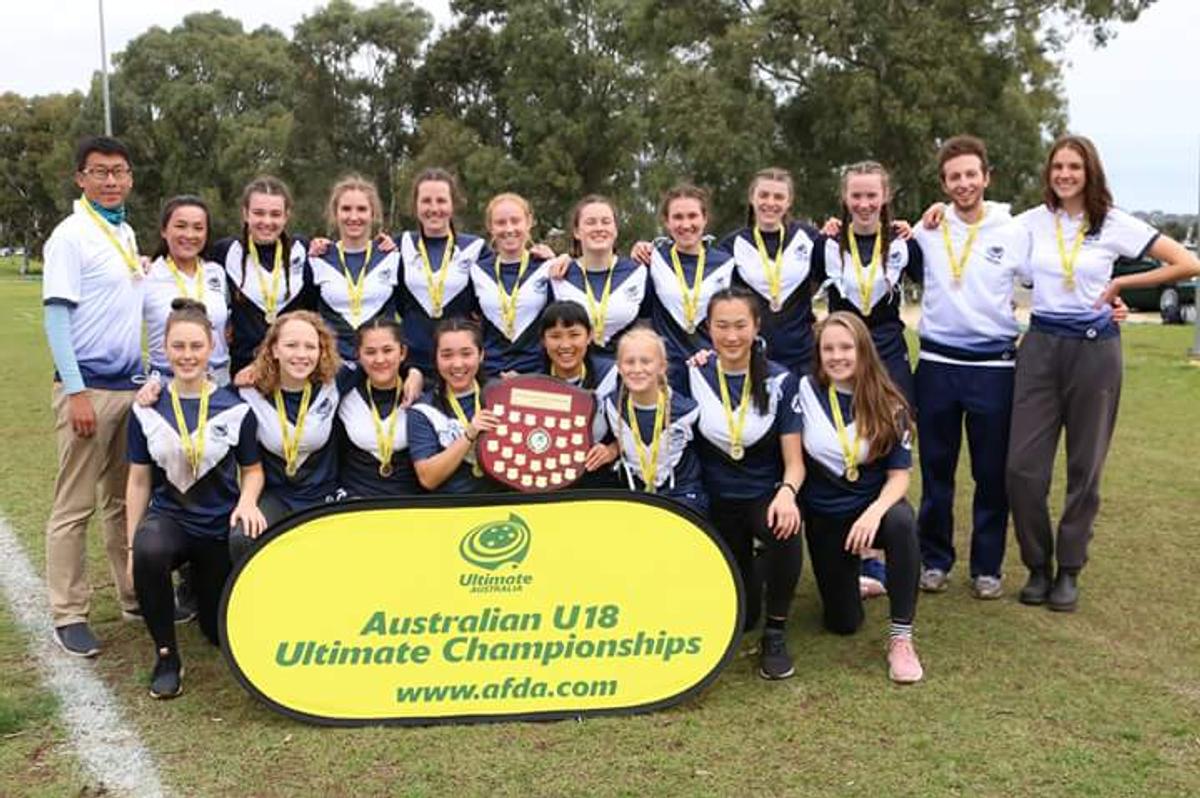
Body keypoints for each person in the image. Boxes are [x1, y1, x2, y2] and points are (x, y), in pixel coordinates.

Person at [1006, 134, 1200, 611]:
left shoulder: (1114, 223)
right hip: (1041, 345)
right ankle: (1037, 565)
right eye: (1058, 166)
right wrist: (932, 215)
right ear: (1049, 173)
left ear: (1090, 171)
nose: (1065, 174)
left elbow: (1187, 262)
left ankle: (1069, 570)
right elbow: (977, 231)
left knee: (1085, 466)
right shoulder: (1031, 221)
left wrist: (1122, 283)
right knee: (1022, 469)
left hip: (1095, 351)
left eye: (1074, 166)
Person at [908, 136, 1032, 600]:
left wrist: (1109, 302)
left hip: (993, 368)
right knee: (936, 470)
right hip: (937, 364)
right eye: (954, 177)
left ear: (986, 177)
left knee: (991, 473)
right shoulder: (928, 229)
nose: (964, 183)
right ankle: (935, 560)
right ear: (944, 184)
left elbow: (1047, 281)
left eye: (970, 174)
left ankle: (987, 567)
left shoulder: (1012, 230)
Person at [125, 299, 266, 698]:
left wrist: (247, 501)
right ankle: (167, 657)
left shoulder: (236, 408)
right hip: (171, 520)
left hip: (217, 526)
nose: (187, 356)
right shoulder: (146, 408)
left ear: (212, 347)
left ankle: (200, 593)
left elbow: (253, 470)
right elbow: (138, 481)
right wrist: (131, 545)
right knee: (150, 551)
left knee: (214, 631)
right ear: (164, 349)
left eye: (196, 346)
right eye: (178, 346)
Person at [42, 135, 144, 657]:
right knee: (74, 505)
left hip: (128, 388)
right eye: (100, 171)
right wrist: (76, 390)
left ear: (130, 178)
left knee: (123, 503)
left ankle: (132, 595)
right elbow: (56, 317)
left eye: (119, 171)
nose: (111, 180)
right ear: (80, 178)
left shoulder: (124, 231)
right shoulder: (71, 235)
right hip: (88, 390)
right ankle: (69, 613)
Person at [797, 311, 923, 683]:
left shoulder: (890, 402)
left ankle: (901, 637)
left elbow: (900, 477)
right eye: (828, 349)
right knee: (843, 624)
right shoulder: (802, 390)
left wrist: (874, 513)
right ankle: (857, 581)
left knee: (901, 521)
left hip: (871, 515)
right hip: (825, 519)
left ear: (863, 350)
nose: (837, 356)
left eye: (846, 347)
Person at [685, 287, 803, 680]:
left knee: (786, 527)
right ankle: (752, 575)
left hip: (762, 496)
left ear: (756, 327)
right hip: (715, 501)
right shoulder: (691, 374)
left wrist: (787, 493)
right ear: (708, 328)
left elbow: (795, 463)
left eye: (740, 325)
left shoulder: (781, 380)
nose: (731, 336)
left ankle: (776, 631)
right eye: (722, 326)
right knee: (743, 615)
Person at [233, 311, 343, 561]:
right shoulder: (248, 392)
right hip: (277, 497)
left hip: (324, 495)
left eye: (310, 347)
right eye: (291, 345)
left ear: (322, 351)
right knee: (242, 538)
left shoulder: (335, 382)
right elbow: (206, 396)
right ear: (274, 350)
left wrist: (413, 372)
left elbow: (379, 364)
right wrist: (153, 389)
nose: (301, 354)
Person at [821, 161, 922, 406]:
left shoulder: (903, 242)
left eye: (871, 195)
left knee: (898, 420)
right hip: (841, 350)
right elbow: (804, 292)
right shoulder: (827, 243)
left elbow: (932, 285)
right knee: (843, 424)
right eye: (856, 196)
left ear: (885, 195)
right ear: (845, 197)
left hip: (889, 350)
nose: (864, 204)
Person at [721, 168, 824, 374]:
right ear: (752, 198)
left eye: (778, 197)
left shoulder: (810, 238)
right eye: (764, 195)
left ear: (789, 201)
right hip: (752, 356)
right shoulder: (732, 245)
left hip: (803, 355)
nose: (770, 202)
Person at [213, 176, 313, 376]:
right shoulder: (225, 251)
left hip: (294, 369)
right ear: (245, 213)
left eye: (275, 214)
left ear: (286, 216)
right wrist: (150, 261)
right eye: (259, 213)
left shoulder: (303, 249)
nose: (267, 221)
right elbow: (186, 261)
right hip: (244, 371)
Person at [603, 326, 707, 514]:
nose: (637, 369)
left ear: (662, 367)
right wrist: (612, 449)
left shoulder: (688, 411)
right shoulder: (611, 406)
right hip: (636, 494)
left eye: (646, 362)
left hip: (681, 495)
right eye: (629, 362)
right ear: (619, 367)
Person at [395, 169, 487, 377]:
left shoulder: (476, 249)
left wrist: (551, 258)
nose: (434, 208)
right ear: (415, 205)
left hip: (459, 364)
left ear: (453, 204)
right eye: (426, 201)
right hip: (411, 364)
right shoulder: (399, 245)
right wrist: (323, 247)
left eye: (441, 201)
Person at [310, 175, 402, 362]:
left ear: (373, 213)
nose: (353, 217)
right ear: (335, 213)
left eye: (361, 209)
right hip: (333, 363)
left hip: (379, 362)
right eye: (346, 209)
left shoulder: (391, 256)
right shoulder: (318, 258)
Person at [644, 185, 736, 371]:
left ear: (705, 218)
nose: (686, 225)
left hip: (710, 366)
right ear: (666, 221)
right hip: (665, 369)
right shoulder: (653, 259)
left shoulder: (726, 264)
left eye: (692, 216)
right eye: (678, 217)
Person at [550, 195, 648, 364]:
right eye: (590, 222)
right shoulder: (558, 274)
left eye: (606, 222)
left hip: (626, 370)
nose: (599, 228)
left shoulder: (638, 272)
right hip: (574, 371)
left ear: (615, 229)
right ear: (576, 232)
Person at [143, 196, 230, 384]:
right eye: (181, 226)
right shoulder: (147, 275)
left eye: (198, 228)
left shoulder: (216, 272)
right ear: (164, 230)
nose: (190, 235)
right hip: (167, 381)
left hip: (218, 381)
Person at [408, 318, 501, 493]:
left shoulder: (502, 396)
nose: (457, 364)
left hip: (502, 503)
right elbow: (428, 478)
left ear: (481, 355)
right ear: (435, 358)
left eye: (466, 354)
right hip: (451, 505)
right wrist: (469, 435)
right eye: (447, 355)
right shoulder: (423, 410)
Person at [536, 301, 620, 488]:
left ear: (589, 336)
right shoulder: (533, 383)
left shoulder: (612, 376)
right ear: (543, 340)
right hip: (548, 478)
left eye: (574, 335)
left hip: (600, 478)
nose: (565, 345)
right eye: (555, 336)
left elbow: (636, 426)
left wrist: (612, 450)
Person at [337, 318, 420, 497]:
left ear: (402, 352)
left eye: (388, 350)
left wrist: (415, 373)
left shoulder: (421, 394)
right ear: (358, 355)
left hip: (409, 500)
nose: (379, 359)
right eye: (370, 352)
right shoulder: (344, 392)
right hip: (355, 498)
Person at [472, 193, 552, 376]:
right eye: (501, 223)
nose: (509, 229)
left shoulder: (547, 268)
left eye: (515, 221)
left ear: (529, 222)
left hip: (537, 371)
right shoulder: (477, 272)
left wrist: (561, 258)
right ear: (490, 227)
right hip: (492, 372)